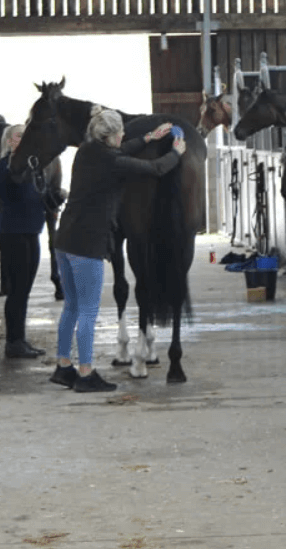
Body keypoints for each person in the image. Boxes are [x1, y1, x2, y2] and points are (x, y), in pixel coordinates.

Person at [50, 110, 185, 393]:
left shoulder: (86, 151)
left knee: (72, 306)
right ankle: (85, 373)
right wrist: (176, 153)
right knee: (88, 311)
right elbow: (155, 169)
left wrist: (149, 137)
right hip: (87, 244)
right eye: (120, 131)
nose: (123, 135)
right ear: (110, 136)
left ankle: (63, 366)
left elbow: (121, 149)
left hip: (64, 241)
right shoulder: (113, 162)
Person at [0, 123, 57, 359]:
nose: (24, 139)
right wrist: (12, 172)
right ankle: (13, 342)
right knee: (16, 290)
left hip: (32, 231)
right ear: (9, 141)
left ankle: (20, 339)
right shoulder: (2, 166)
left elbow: (39, 194)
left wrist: (53, 198)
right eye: (19, 136)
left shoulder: (34, 166)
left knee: (25, 290)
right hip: (12, 232)